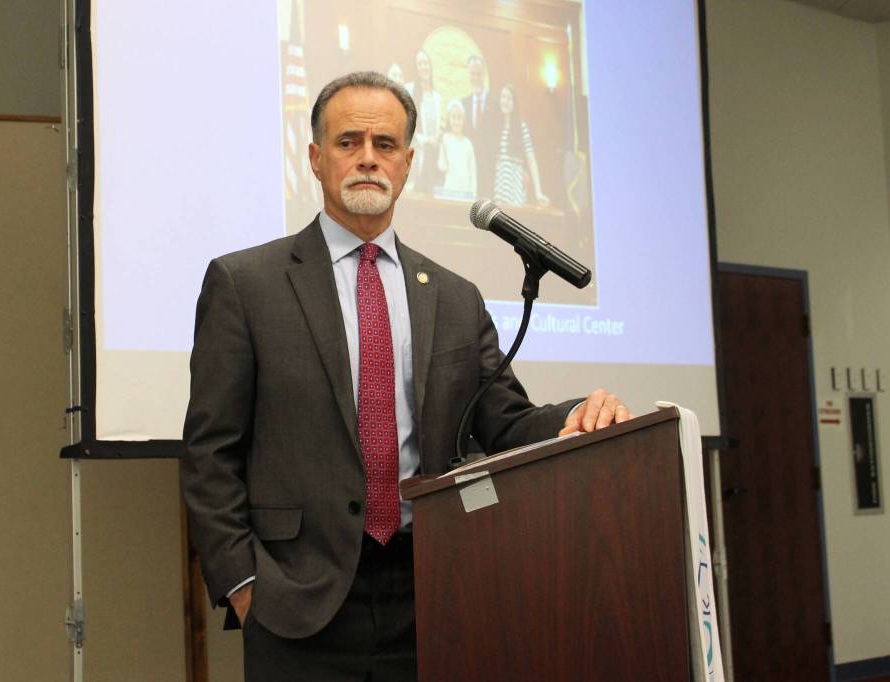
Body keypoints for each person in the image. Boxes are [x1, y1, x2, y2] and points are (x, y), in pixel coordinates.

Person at [181, 71, 629, 682]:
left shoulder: (454, 296)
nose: (368, 158)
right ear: (315, 158)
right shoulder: (246, 284)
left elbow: (505, 422)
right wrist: (244, 584)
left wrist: (576, 415)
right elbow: (211, 452)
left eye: (385, 144)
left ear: (410, 162)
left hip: (431, 591)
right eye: (348, 142)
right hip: (296, 601)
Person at [493, 83, 550, 207]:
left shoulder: (521, 127)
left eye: (509, 98)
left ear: (514, 103)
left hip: (515, 184)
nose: (505, 101)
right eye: (503, 97)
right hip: (499, 185)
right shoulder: (495, 126)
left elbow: (531, 160)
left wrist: (538, 192)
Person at [403, 50, 442, 195]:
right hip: (415, 155)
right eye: (420, 64)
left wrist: (437, 138)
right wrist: (425, 139)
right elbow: (406, 123)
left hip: (432, 158)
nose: (424, 67)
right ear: (416, 68)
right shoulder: (409, 90)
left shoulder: (437, 98)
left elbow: (438, 128)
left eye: (426, 63)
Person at [461, 54, 497, 198]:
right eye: (472, 73)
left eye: (478, 73)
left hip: (489, 167)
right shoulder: (463, 104)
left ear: (483, 75)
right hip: (469, 168)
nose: (475, 77)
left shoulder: (495, 104)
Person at [437, 100, 477, 200]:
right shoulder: (446, 139)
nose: (456, 121)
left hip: (465, 191)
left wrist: (473, 193)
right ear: (449, 119)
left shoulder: (468, 144)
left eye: (459, 118)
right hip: (450, 189)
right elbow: (442, 166)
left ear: (463, 120)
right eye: (453, 117)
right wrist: (442, 146)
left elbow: (473, 171)